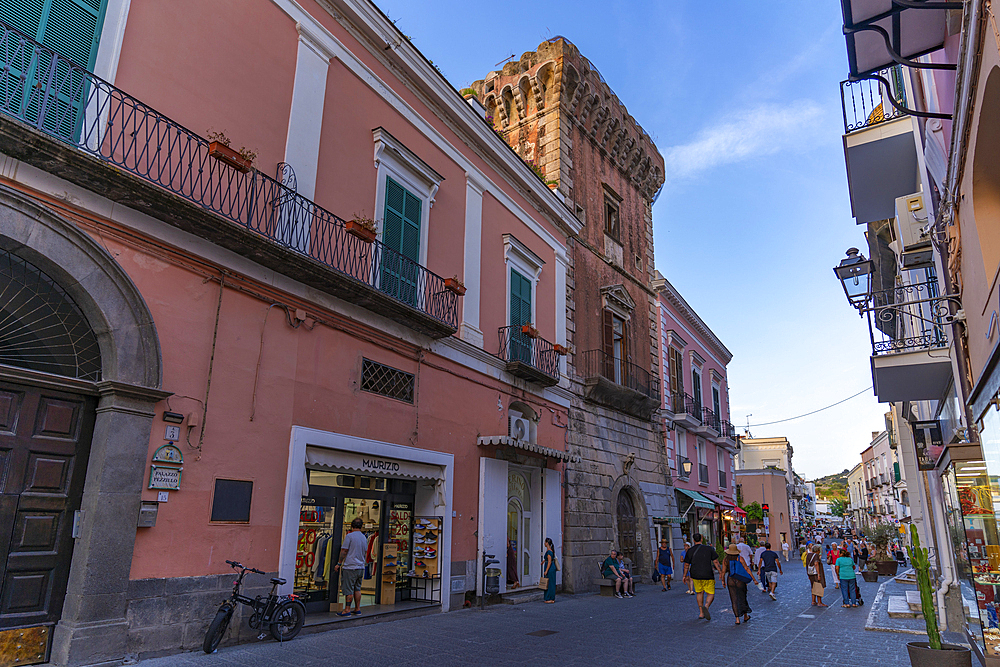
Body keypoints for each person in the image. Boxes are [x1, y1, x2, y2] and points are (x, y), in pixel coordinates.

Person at [683, 533, 724, 621]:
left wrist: (684, 575)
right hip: (707, 574)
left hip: (695, 575)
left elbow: (686, 565)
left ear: (693, 540)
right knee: (710, 593)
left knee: (699, 593)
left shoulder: (690, 551)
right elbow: (716, 562)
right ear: (701, 539)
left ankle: (701, 613)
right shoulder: (709, 549)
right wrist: (720, 572)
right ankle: (706, 606)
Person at [333, 517, 368, 616]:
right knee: (357, 588)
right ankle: (357, 608)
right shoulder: (364, 538)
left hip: (350, 566)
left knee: (348, 589)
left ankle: (347, 610)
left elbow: (344, 551)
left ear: (352, 526)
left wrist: (339, 563)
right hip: (360, 567)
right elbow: (365, 552)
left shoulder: (349, 536)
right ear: (361, 527)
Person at [723, 543, 757, 625]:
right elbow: (747, 569)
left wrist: (723, 581)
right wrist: (754, 579)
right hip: (740, 580)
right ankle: (745, 615)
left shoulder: (725, 560)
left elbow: (723, 571)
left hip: (730, 579)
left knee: (733, 599)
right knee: (742, 597)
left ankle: (737, 619)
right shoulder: (740, 558)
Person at [542, 537, 556, 603]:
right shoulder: (550, 551)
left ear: (547, 543)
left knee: (549, 583)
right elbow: (548, 559)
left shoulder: (549, 551)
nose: (544, 543)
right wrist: (544, 561)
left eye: (545, 542)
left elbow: (549, 562)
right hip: (551, 568)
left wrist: (546, 570)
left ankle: (550, 598)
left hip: (550, 568)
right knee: (551, 582)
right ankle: (551, 598)